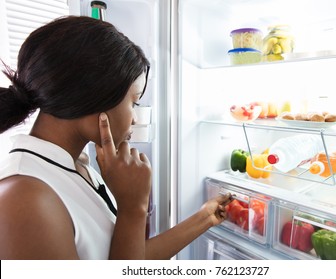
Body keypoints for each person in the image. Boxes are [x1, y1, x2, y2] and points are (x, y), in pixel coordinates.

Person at [0, 16, 232, 260]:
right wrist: (133, 208)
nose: (134, 119)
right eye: (134, 101)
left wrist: (205, 217)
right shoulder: (25, 200)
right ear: (93, 94)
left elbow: (124, 257)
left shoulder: (74, 165)